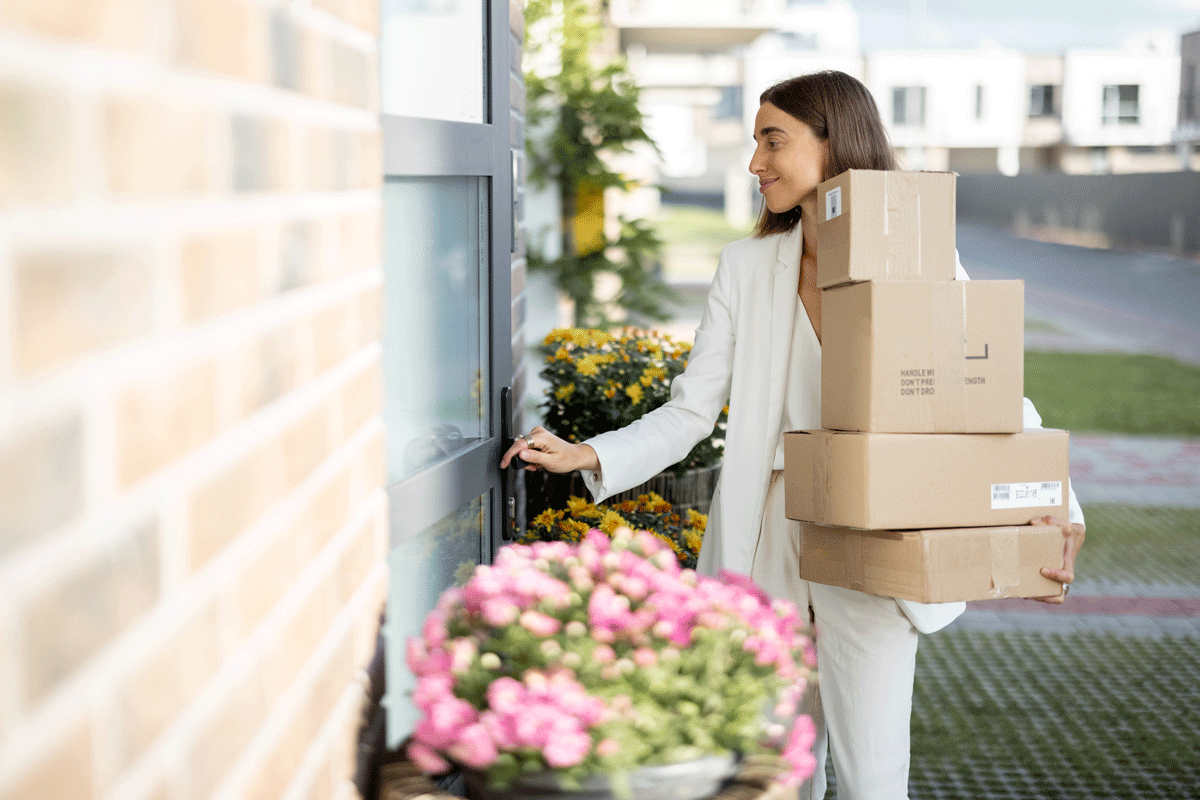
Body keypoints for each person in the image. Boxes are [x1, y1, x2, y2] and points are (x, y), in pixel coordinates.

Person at [500, 70, 1086, 800]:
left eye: (772, 140)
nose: (755, 164)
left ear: (833, 141)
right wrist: (590, 453)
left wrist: (1057, 500)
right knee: (772, 775)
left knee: (872, 779)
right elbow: (691, 411)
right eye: (754, 143)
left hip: (872, 540)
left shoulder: (917, 256)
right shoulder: (745, 268)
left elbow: (984, 388)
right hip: (764, 540)